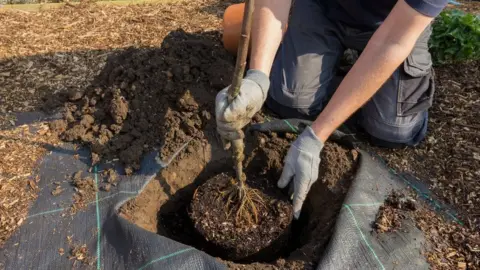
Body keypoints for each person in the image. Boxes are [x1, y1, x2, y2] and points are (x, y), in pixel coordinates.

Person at [215, 0, 448, 219]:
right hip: (323, 9)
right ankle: (344, 72)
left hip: (394, 25)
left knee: (392, 130)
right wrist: (258, 76)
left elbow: (393, 40)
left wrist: (317, 135)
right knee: (289, 101)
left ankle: (370, 80)